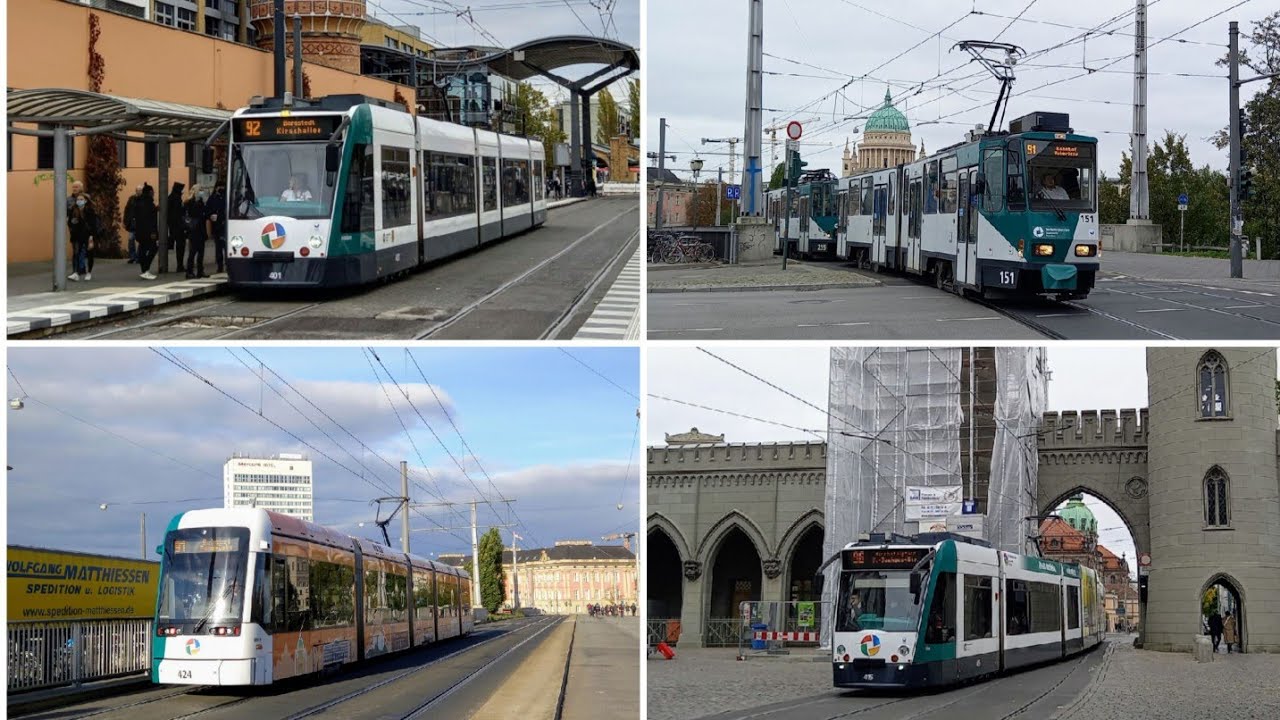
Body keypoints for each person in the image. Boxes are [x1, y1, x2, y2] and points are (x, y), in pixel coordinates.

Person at [67, 182, 99, 282]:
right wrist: (72, 225)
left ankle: (89, 272)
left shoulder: (90, 211)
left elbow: (93, 224)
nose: (79, 201)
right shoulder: (74, 210)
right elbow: (70, 221)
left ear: (85, 201)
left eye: (81, 200)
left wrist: (92, 237)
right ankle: (76, 272)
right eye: (78, 200)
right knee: (76, 252)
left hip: (88, 235)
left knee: (89, 253)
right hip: (77, 234)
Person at [134, 184, 160, 280]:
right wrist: (154, 233)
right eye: (153, 192)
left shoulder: (138, 202)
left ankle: (144, 270)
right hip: (149, 232)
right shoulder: (149, 203)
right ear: (150, 192)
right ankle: (146, 269)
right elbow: (151, 219)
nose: (154, 193)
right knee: (153, 248)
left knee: (142, 249)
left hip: (140, 231)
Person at [183, 184, 208, 278]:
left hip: (200, 230)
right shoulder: (190, 202)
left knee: (201, 252)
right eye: (200, 190)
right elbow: (195, 214)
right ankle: (189, 271)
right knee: (193, 252)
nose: (202, 192)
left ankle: (200, 271)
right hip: (194, 230)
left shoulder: (200, 202)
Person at [205, 184, 227, 274]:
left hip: (224, 225)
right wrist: (211, 215)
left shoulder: (226, 197)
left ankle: (224, 264)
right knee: (219, 247)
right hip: (217, 226)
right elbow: (208, 210)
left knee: (225, 247)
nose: (221, 189)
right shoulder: (213, 198)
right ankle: (220, 265)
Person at [167, 182, 187, 274]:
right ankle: (180, 265)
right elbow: (177, 213)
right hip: (178, 226)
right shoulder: (176, 199)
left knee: (178, 245)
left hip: (173, 226)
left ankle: (180, 265)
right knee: (180, 246)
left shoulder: (171, 197)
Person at [123, 184, 143, 263]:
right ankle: (132, 256)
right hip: (132, 223)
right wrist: (125, 221)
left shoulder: (143, 200)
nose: (139, 192)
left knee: (141, 241)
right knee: (131, 240)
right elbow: (126, 210)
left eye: (140, 190)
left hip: (141, 223)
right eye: (138, 190)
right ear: (136, 191)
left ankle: (138, 257)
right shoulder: (131, 199)